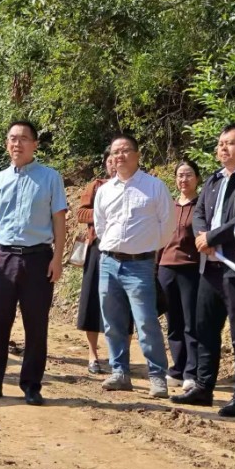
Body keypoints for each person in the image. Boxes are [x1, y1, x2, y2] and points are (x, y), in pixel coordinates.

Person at [0, 121, 68, 407]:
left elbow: (59, 220)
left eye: (23, 138)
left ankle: (32, 385)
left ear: (35, 144)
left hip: (38, 258)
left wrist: (57, 258)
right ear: (6, 144)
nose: (17, 144)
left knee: (36, 324)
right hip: (2, 258)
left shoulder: (50, 178)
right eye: (12, 138)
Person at [172, 123, 235, 414]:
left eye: (230, 143)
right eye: (221, 143)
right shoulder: (213, 179)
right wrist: (202, 236)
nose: (223, 148)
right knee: (205, 330)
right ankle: (203, 387)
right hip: (209, 268)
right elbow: (199, 212)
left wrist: (212, 238)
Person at [94, 134, 175, 399]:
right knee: (112, 322)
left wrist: (146, 248)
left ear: (137, 155)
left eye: (125, 150)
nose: (120, 155)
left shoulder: (154, 186)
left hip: (140, 264)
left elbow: (167, 226)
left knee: (146, 322)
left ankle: (157, 376)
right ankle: (120, 372)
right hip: (108, 263)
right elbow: (100, 226)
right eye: (115, 151)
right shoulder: (105, 190)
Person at [74, 147, 122, 374]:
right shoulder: (96, 186)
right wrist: (104, 211)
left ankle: (119, 356)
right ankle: (93, 355)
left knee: (122, 304)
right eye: (110, 161)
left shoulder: (134, 187)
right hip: (97, 248)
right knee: (92, 301)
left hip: (125, 250)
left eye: (117, 160)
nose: (114, 165)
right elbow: (81, 213)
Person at [157, 160, 202, 392]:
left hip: (190, 269)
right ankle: (177, 368)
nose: (184, 180)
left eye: (188, 175)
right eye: (180, 175)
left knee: (191, 322)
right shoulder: (169, 206)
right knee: (173, 322)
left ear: (197, 178)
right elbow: (159, 238)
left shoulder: (201, 206)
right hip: (166, 268)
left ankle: (191, 372)